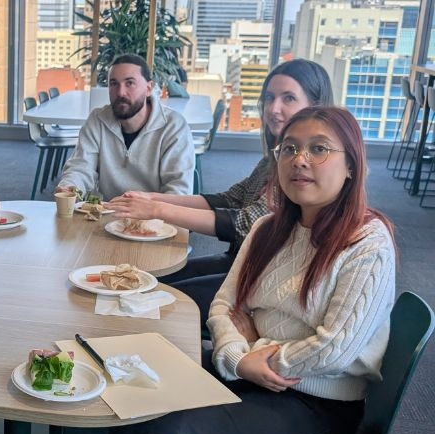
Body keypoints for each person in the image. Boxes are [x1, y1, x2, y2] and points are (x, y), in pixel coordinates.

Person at [98, 106, 396, 434]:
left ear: (351, 165)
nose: (300, 160)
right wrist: (239, 356)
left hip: (318, 404)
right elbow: (223, 306)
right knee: (139, 375)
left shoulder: (367, 244)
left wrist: (247, 352)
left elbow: (333, 349)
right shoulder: (269, 228)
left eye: (319, 149)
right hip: (254, 372)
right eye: (289, 148)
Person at [108, 59, 334, 322]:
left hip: (267, 281)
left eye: (289, 98)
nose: (274, 108)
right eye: (270, 98)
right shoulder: (277, 158)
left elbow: (246, 224)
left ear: (315, 107)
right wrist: (153, 197)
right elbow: (231, 199)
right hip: (243, 262)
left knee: (152, 300)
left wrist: (157, 210)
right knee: (151, 278)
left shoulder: (308, 168)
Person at [56, 53, 195, 201]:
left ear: (149, 88)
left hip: (155, 218)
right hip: (107, 215)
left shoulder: (173, 126)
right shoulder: (97, 120)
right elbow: (81, 168)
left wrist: (145, 211)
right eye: (114, 84)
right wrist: (71, 187)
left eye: (130, 83)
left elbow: (178, 191)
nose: (120, 92)